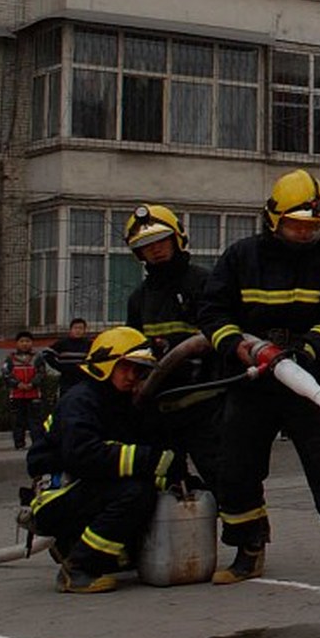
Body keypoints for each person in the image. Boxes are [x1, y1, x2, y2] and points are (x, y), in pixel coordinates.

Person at [199, 169, 320, 584]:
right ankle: (247, 549)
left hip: (308, 379)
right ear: (273, 218)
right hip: (251, 379)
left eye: (314, 226)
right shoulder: (241, 257)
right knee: (237, 465)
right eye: (298, 224)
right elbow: (212, 312)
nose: (306, 233)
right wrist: (235, 344)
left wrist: (308, 347)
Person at [24, 326, 179, 594]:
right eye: (126, 368)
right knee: (134, 492)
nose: (133, 377)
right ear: (105, 365)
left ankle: (92, 551)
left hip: (82, 489)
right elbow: (84, 455)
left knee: (152, 489)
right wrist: (149, 460)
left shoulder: (119, 401)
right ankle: (77, 568)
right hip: (56, 497)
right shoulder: (81, 400)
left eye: (138, 370)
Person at [122, 204, 225, 491]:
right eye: (146, 245)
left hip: (207, 407)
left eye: (160, 241)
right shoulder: (139, 299)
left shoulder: (204, 283)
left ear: (177, 239)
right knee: (165, 484)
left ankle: (245, 535)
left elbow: (223, 336)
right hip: (161, 411)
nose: (155, 250)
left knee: (228, 483)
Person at [0, 331, 48, 451]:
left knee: (35, 421)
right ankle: (19, 443)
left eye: (27, 341)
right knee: (18, 421)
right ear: (17, 343)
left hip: (33, 393)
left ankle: (37, 443)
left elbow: (42, 373)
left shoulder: (38, 357)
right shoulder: (10, 358)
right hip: (17, 394)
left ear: (32, 343)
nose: (25, 344)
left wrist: (32, 383)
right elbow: (6, 374)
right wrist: (18, 384)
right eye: (22, 341)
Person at [47, 318, 94, 393]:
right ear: (71, 329)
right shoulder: (62, 343)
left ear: (85, 330)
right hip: (66, 379)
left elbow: (96, 358)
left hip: (83, 379)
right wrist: (58, 366)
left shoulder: (89, 344)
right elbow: (46, 353)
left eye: (81, 328)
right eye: (75, 328)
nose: (78, 331)